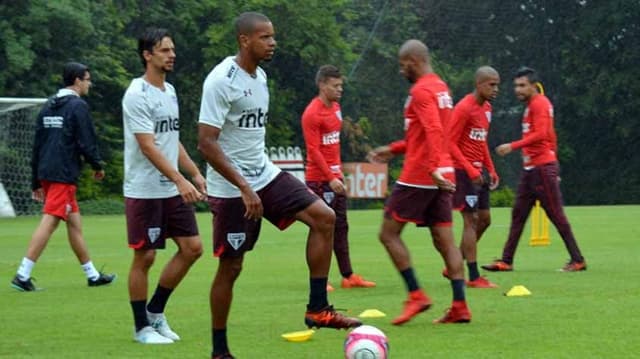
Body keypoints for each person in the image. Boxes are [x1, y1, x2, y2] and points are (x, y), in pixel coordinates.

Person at [197, 12, 361, 359]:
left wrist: (255, 182)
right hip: (231, 188)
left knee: (324, 217)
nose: (273, 43)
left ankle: (318, 308)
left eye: (273, 37)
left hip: (263, 174)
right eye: (265, 37)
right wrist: (244, 187)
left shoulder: (261, 78)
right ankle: (219, 351)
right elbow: (206, 143)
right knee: (232, 266)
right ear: (244, 40)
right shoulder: (220, 81)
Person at [367, 39, 471, 325]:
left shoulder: (421, 89)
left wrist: (433, 166)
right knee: (444, 240)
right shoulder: (441, 88)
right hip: (442, 173)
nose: (401, 71)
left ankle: (416, 295)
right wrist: (396, 148)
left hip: (421, 175)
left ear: (413, 60)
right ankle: (460, 305)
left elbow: (435, 129)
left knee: (388, 234)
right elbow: (424, 134)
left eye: (402, 66)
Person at [122, 27, 205, 345]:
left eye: (172, 50)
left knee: (192, 248)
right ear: (147, 55)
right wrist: (180, 179)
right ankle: (141, 327)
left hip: (172, 187)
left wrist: (194, 172)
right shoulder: (136, 94)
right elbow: (148, 146)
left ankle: (156, 312)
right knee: (145, 257)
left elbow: (170, 140)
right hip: (145, 189)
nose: (172, 55)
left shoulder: (169, 92)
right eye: (165, 50)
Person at [11, 62, 115, 292]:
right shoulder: (77, 106)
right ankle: (22, 274)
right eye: (87, 79)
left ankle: (92, 275)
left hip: (47, 171)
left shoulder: (49, 105)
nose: (89, 83)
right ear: (77, 80)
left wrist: (36, 180)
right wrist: (97, 164)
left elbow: (38, 143)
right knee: (50, 221)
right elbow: (85, 139)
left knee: (74, 223)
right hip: (63, 173)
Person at [482, 67, 586, 272]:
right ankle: (506, 261)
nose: (517, 90)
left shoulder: (540, 103)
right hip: (532, 169)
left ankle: (578, 260)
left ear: (533, 85)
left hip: (541, 169)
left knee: (556, 215)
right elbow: (551, 135)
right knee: (518, 214)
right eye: (515, 86)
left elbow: (541, 134)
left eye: (522, 85)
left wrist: (513, 146)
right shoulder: (532, 105)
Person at [301, 65, 376, 291]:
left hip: (336, 178)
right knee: (320, 229)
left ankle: (348, 276)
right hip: (319, 180)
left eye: (341, 85)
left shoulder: (336, 108)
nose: (340, 89)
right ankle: (319, 280)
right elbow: (313, 150)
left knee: (341, 227)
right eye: (335, 85)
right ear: (322, 85)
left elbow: (333, 144)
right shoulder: (312, 114)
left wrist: (338, 174)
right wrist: (329, 177)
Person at [446, 66, 501, 288]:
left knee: (485, 220)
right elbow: (449, 143)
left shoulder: (487, 108)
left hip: (478, 173)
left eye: (497, 85)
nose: (496, 89)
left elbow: (481, 141)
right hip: (463, 172)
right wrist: (470, 169)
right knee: (471, 221)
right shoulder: (463, 108)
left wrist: (492, 168)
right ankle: (473, 276)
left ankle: (454, 265)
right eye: (491, 84)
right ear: (479, 84)